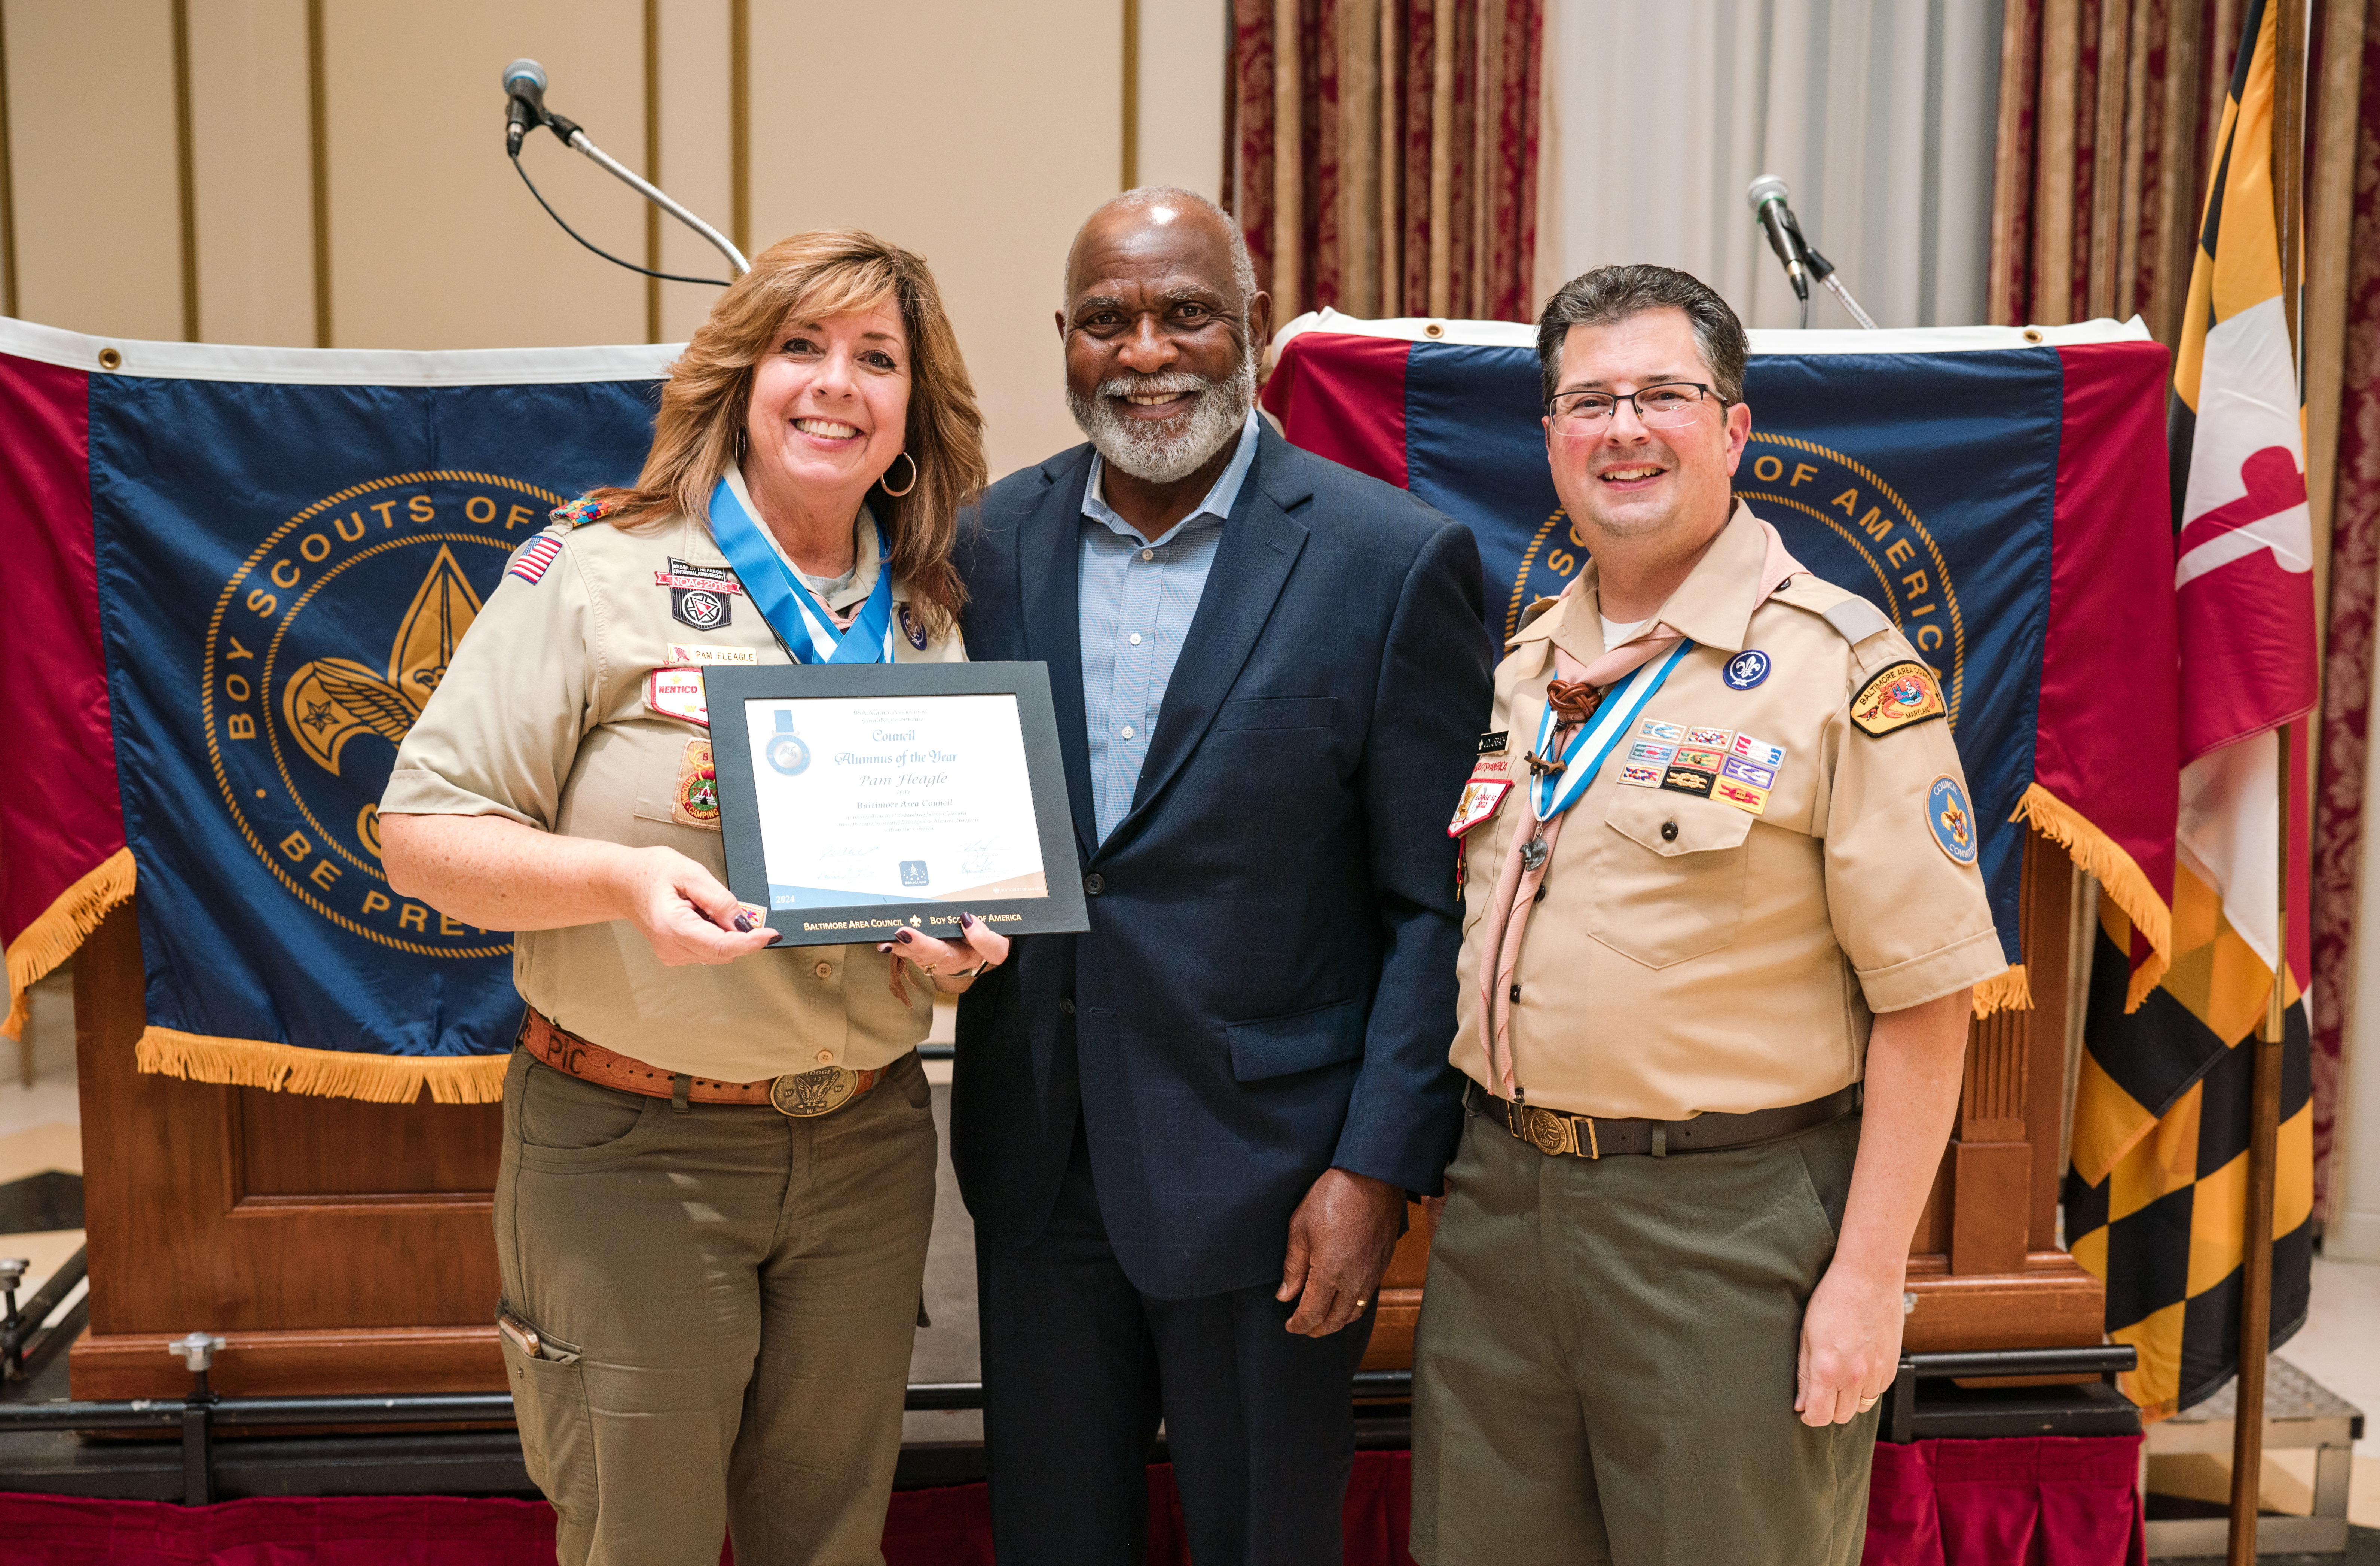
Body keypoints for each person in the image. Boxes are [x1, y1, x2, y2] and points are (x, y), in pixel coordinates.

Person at [378, 229, 1005, 1566]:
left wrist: (956, 948)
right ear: (739, 378)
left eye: (876, 358)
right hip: (633, 1149)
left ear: (909, 412)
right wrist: (618, 877)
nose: (836, 384)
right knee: (640, 1541)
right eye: (803, 347)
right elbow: (418, 838)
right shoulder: (593, 572)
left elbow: (929, 895)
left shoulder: (926, 616)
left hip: (866, 1150)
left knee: (832, 1541)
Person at [1409, 264, 2001, 1565]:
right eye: (1588, 401)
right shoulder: (1521, 671)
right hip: (1503, 1209)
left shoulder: (1841, 667)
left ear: (1733, 428)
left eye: (1663, 395)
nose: (1623, 429)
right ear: (1550, 439)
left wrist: (1865, 1280)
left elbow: (1927, 994)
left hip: (1725, 1235)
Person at [950, 186, 1490, 1565]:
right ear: (1061, 341)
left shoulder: (1390, 560)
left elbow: (1428, 909)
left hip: (1274, 1186)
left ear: (1250, 326)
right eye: (1105, 320)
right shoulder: (982, 547)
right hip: (1038, 1165)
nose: (1146, 352)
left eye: (1185, 311)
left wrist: (1374, 1170)